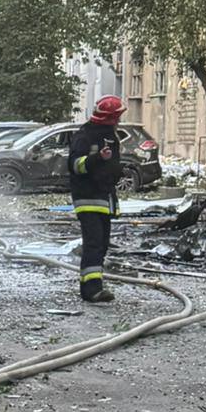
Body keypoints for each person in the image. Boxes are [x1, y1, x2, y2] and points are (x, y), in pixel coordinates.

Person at [68, 95, 127, 303]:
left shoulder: (110, 136)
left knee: (101, 244)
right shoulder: (85, 136)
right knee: (93, 244)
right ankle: (91, 290)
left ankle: (95, 285)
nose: (119, 120)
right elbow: (75, 165)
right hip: (87, 198)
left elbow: (109, 167)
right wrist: (97, 158)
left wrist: (117, 170)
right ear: (110, 117)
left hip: (103, 198)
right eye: (117, 117)